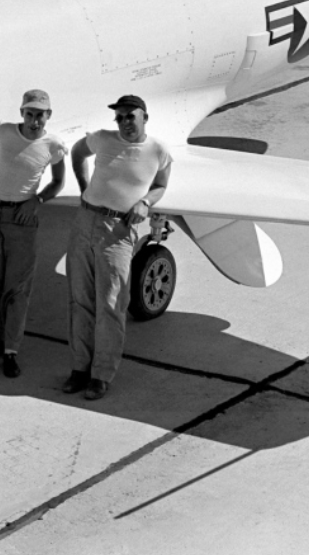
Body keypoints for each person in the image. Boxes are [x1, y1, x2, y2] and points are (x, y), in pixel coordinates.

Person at [64, 94, 173, 401]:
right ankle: (79, 369)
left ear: (144, 118)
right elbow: (77, 152)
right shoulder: (102, 139)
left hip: (118, 231)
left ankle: (101, 375)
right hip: (84, 222)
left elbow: (161, 185)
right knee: (80, 300)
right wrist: (83, 187)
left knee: (111, 304)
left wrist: (145, 202)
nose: (125, 122)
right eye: (120, 117)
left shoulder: (158, 150)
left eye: (130, 116)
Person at [0, 89, 66, 379]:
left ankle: (11, 351)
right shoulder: (3, 131)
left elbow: (58, 182)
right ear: (21, 113)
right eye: (29, 114)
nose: (34, 120)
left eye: (40, 115)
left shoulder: (53, 145)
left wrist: (37, 201)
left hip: (22, 219)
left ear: (48, 115)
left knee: (17, 288)